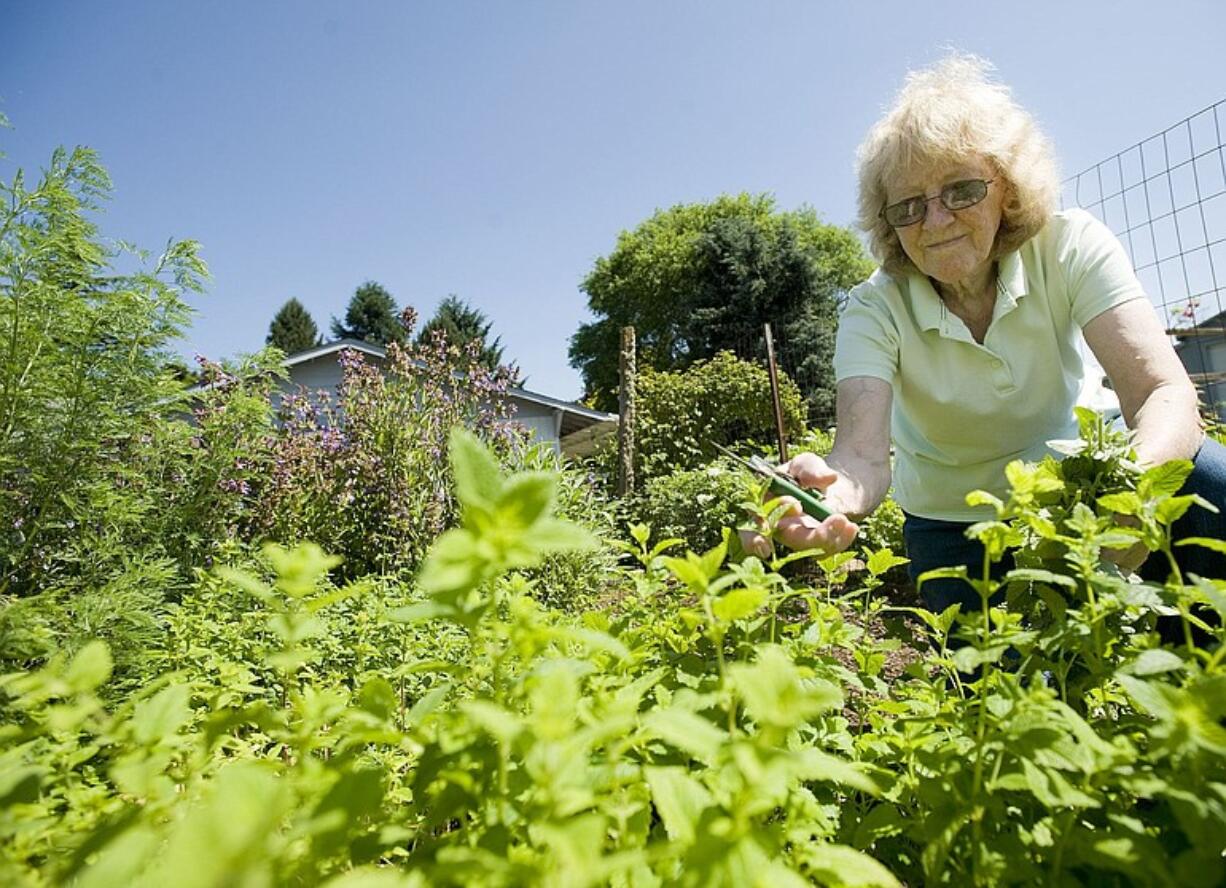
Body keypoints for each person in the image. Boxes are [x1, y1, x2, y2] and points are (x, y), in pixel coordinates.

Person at [743, 54, 1226, 612]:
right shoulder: (872, 307)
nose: (936, 221)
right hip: (953, 522)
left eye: (962, 190)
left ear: (1009, 190)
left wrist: (1136, 487)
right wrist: (831, 492)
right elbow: (861, 455)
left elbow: (1160, 390)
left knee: (1210, 489)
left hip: (1080, 483)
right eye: (907, 206)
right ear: (888, 223)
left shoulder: (1069, 246)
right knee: (997, 687)